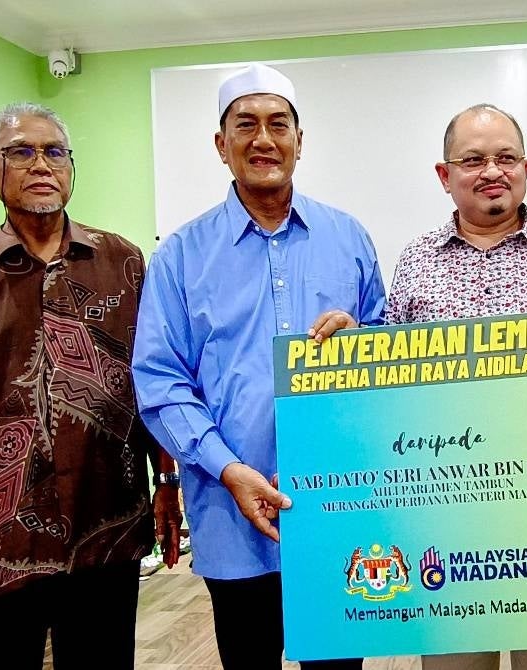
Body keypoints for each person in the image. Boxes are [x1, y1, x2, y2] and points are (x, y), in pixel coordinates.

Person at [132, 63, 385, 670]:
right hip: (229, 512)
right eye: (245, 125)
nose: (263, 139)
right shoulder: (180, 257)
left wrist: (364, 339)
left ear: (301, 140)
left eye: (279, 124)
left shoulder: (348, 237)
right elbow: (161, 382)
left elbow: (388, 348)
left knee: (338, 663)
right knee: (247, 658)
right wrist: (227, 468)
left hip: (338, 505)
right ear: (221, 145)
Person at [0, 101, 182, 670]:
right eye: (21, 151)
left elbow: (152, 385)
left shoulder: (123, 262)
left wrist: (167, 480)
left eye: (54, 151)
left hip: (107, 523)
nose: (41, 164)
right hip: (1, 538)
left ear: (70, 168)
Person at [387, 103, 527, 670]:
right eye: (474, 159)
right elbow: (387, 385)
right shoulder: (414, 263)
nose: (493, 171)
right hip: (447, 505)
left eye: (506, 157)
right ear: (445, 176)